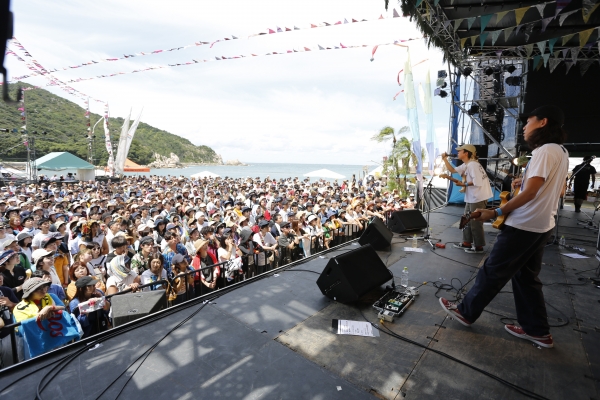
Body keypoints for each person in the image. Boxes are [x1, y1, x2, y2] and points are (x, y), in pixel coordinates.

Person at [439, 105, 569, 349]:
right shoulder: (561, 151)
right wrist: (525, 180)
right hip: (543, 225)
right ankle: (537, 331)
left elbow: (531, 193)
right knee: (526, 278)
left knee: (493, 270)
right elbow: (553, 188)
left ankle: (466, 312)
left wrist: (496, 211)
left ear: (543, 123)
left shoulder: (543, 151)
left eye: (529, 122)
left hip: (525, 225)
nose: (524, 128)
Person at [442, 144, 493, 254]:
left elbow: (477, 182)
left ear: (466, 153)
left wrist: (463, 184)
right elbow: (452, 170)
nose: (458, 153)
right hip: (473, 196)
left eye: (460, 151)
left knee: (475, 221)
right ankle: (467, 242)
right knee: (466, 219)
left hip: (478, 196)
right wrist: (444, 159)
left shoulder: (472, 165)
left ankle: (479, 246)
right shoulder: (467, 164)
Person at [0, 272, 19, 368]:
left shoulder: (6, 291)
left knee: (11, 367)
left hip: (8, 334)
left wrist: (10, 304)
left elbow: (20, 309)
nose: (0, 277)